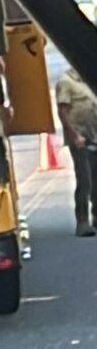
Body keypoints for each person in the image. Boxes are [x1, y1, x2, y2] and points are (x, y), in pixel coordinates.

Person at [55, 65, 97, 237]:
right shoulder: (66, 82)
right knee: (85, 180)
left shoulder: (86, 82)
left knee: (96, 180)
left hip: (94, 136)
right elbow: (63, 112)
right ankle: (82, 222)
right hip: (79, 139)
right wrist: (74, 135)